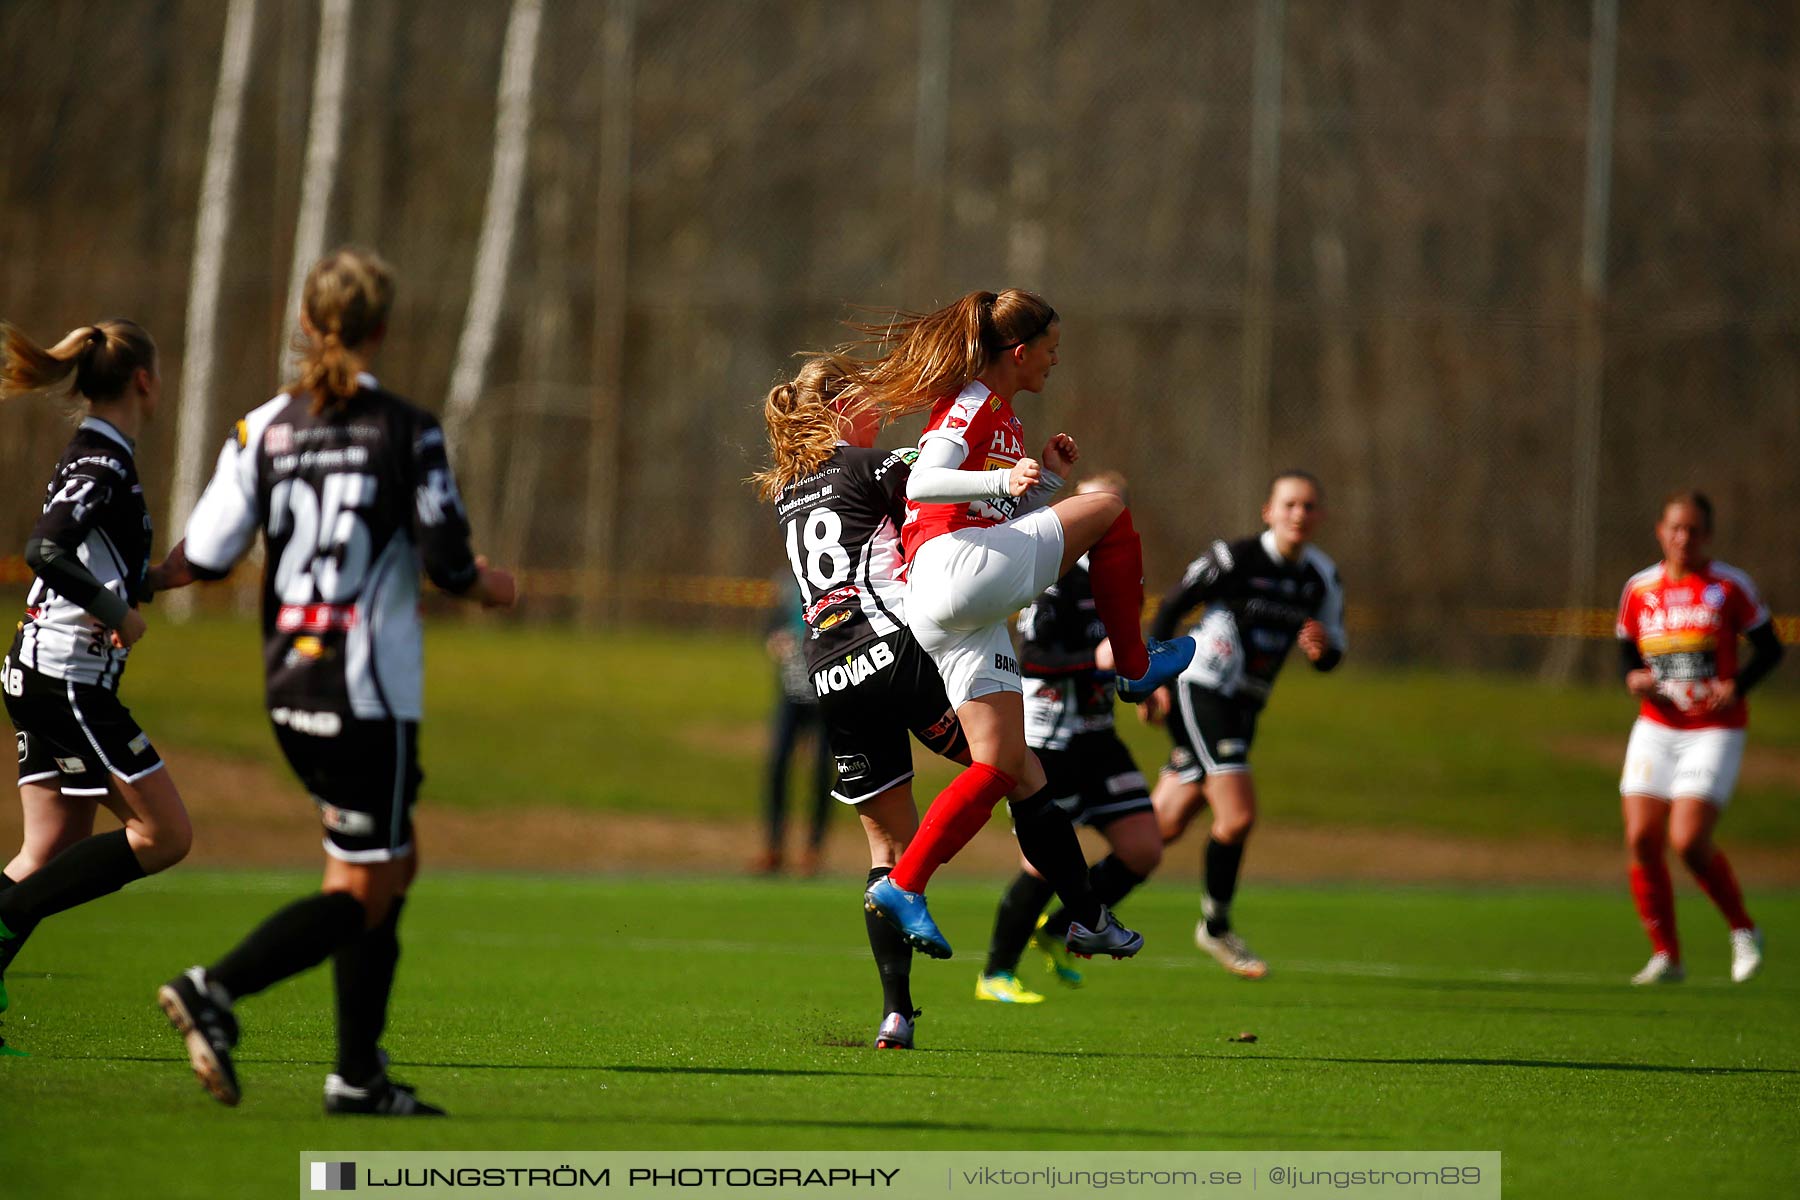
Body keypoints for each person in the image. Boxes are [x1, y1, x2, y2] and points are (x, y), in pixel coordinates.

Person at [149, 248, 517, 1112]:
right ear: (382, 329)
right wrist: (495, 586)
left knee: (387, 863)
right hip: (368, 698)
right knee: (364, 888)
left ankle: (357, 1074)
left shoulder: (261, 428)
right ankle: (215, 990)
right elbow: (452, 564)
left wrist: (131, 583)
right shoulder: (407, 430)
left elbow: (201, 556)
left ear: (307, 326)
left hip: (290, 691)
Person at [850, 289, 1195, 960]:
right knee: (1113, 512)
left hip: (953, 599)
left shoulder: (1001, 415)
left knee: (1002, 763)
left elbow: (998, 516)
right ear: (1019, 351)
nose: (1056, 360)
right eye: (1051, 348)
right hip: (954, 572)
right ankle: (1134, 666)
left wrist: (1043, 483)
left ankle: (907, 884)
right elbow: (924, 484)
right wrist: (1001, 485)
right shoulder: (974, 399)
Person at [754, 356, 969, 1049]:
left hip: (831, 676)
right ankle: (1076, 907)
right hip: (894, 654)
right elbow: (945, 500)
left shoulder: (792, 489)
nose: (881, 408)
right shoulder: (864, 465)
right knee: (1009, 765)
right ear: (840, 409)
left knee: (886, 849)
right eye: (870, 398)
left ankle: (896, 1013)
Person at [0, 320, 193, 1051]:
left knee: (46, 852)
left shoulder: (104, 457)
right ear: (143, 380)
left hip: (40, 669)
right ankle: (3, 925)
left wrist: (154, 581)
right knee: (166, 834)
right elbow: (44, 546)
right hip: (67, 678)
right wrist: (120, 611)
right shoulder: (103, 462)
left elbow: (85, 561)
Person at [1142, 470, 1345, 979]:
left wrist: (1321, 651)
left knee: (1156, 829)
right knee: (1237, 816)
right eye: (1289, 504)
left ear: (1319, 516)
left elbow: (1332, 649)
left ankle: (1065, 900)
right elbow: (1169, 610)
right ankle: (1215, 926)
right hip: (1203, 688)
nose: (1299, 514)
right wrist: (1151, 679)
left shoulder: (1320, 577)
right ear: (1268, 512)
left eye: (1308, 506)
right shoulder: (1232, 560)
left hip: (1246, 706)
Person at [978, 472, 1163, 1004]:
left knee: (1143, 849)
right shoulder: (1054, 575)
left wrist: (1142, 687)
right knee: (1041, 863)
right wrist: (1094, 662)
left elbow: (1123, 650)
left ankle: (1063, 929)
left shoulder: (1123, 577)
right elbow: (1033, 657)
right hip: (1049, 740)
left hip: (1099, 736)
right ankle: (995, 974)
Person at [1615, 490, 1781, 985]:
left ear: (1706, 535)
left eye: (1693, 529)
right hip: (1657, 726)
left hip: (1713, 730)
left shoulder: (1729, 587)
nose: (1682, 537)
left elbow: (1771, 648)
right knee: (1642, 838)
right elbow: (1627, 645)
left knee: (1686, 839)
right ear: (1660, 531)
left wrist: (1739, 686)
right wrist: (1633, 677)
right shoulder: (1640, 588)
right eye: (1675, 528)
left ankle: (1743, 929)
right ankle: (1667, 955)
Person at [754, 571, 834, 875]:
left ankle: (813, 850)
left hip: (828, 693)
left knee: (821, 772)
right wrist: (774, 640)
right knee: (777, 765)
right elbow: (771, 628)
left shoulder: (837, 578)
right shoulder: (788, 586)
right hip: (790, 693)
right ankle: (773, 846)